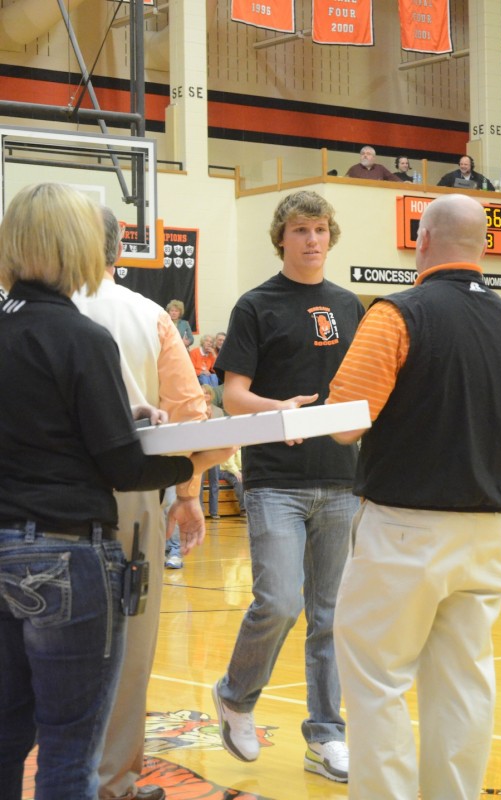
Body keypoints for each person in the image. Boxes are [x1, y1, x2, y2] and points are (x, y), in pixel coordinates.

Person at [0, 183, 233, 800]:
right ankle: (117, 781)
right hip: (76, 536)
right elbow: (133, 457)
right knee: (77, 731)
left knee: (6, 725)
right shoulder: (97, 330)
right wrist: (194, 462)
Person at [326, 193, 501, 800]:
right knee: (464, 683)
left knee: (377, 680)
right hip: (491, 532)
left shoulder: (397, 313)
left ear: (421, 241)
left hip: (405, 529)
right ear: (486, 247)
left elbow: (344, 423)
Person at [211, 189, 365, 783]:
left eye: (320, 229)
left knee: (329, 616)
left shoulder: (351, 305)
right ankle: (235, 695)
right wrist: (283, 411)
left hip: (341, 480)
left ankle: (326, 735)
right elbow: (233, 397)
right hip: (274, 479)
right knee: (279, 601)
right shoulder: (256, 305)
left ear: (331, 235)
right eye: (300, 230)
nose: (311, 240)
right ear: (281, 236)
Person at [73, 207, 211, 800]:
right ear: (118, 251)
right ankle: (112, 783)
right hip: (127, 498)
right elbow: (189, 418)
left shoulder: (16, 310)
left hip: (27, 499)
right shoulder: (148, 314)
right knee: (127, 647)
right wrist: (186, 494)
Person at [200, 384, 224, 520]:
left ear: (211, 396)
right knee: (199, 483)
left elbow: (220, 431)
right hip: (200, 450)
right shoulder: (196, 410)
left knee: (215, 482)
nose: (205, 396)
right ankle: (200, 510)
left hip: (215, 450)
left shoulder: (219, 411)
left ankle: (214, 511)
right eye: (202, 393)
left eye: (207, 393)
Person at [219, 449, 246, 516]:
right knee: (239, 481)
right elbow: (228, 463)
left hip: (240, 470)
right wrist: (236, 472)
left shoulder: (244, 445)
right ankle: (244, 509)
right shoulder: (231, 444)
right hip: (226, 470)